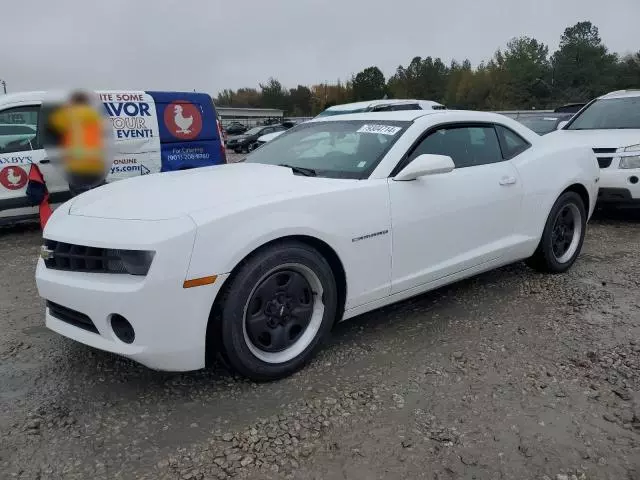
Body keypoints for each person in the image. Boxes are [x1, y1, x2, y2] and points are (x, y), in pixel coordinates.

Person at [48, 91, 107, 196]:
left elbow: (52, 129)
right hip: (95, 163)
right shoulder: (95, 114)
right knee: (99, 196)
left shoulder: (67, 114)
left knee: (80, 198)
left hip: (77, 165)